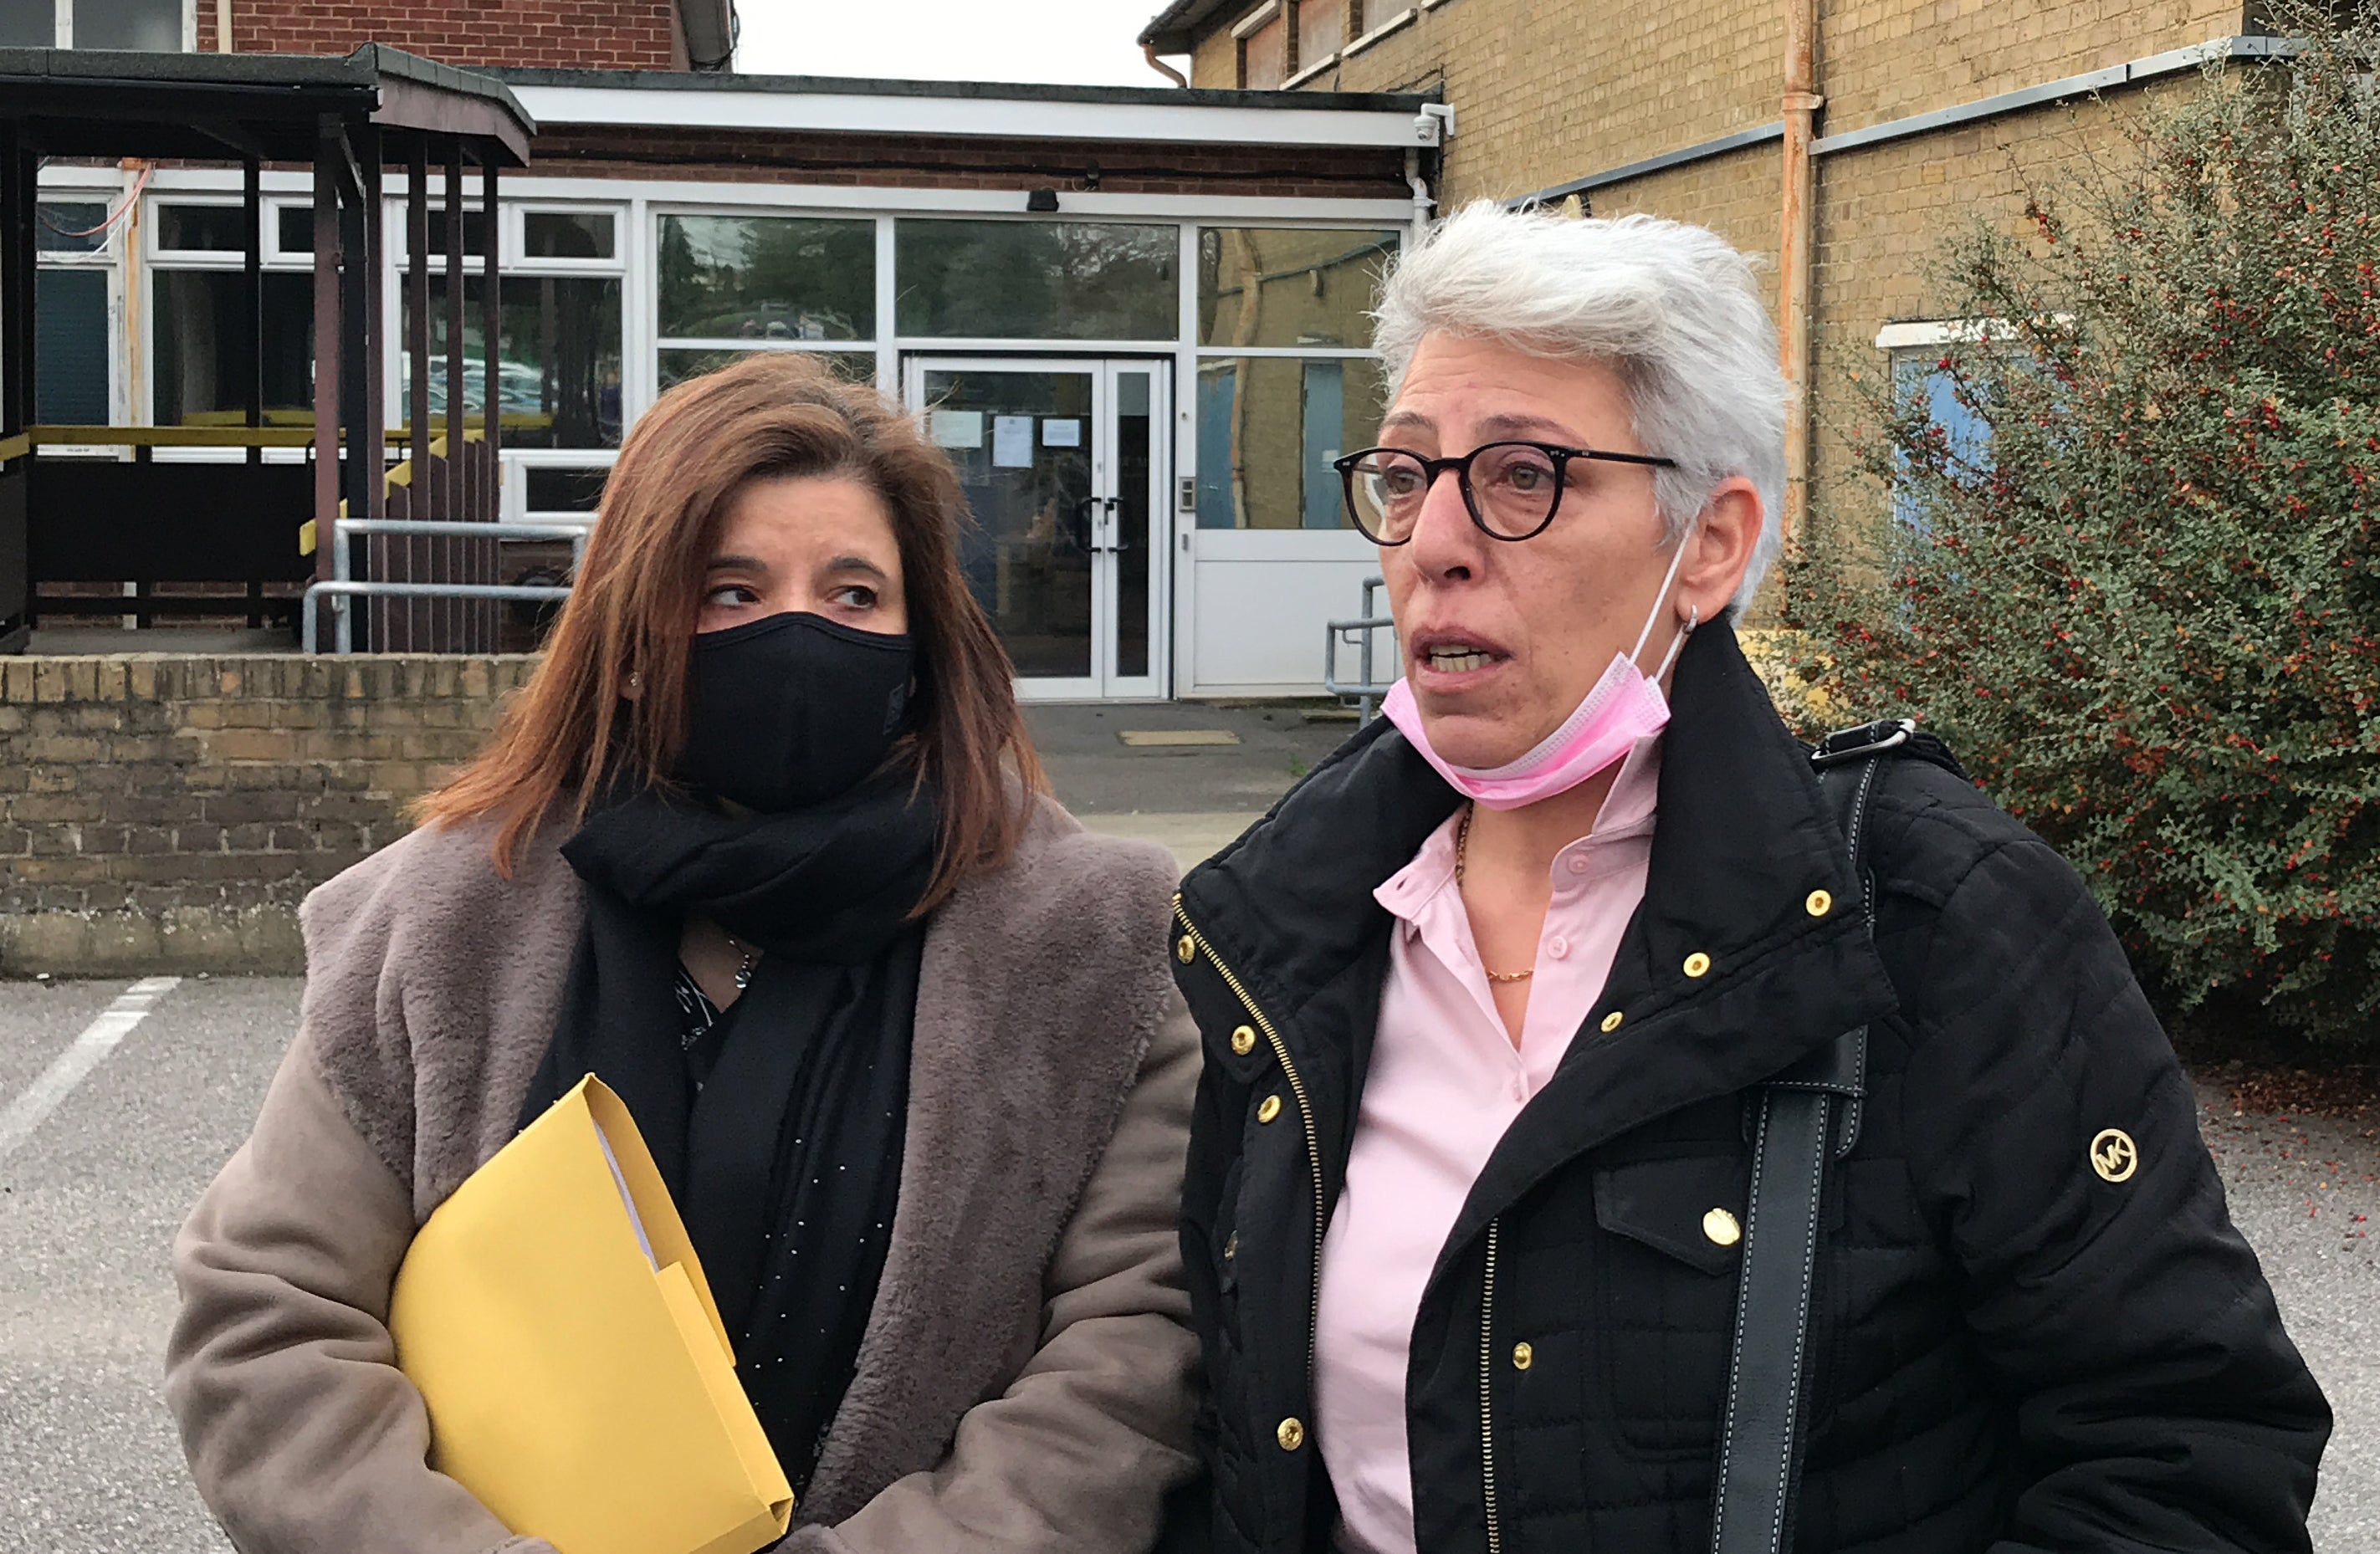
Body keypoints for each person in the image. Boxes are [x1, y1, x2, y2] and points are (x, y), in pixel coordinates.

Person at [1169, 202, 2329, 1554]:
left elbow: (2187, 1454)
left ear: (1706, 547)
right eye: (1408, 473)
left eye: (1522, 475)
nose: (1433, 539)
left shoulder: (1939, 918)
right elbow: (1230, 1436)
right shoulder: (1288, 927)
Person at [166, 353, 1200, 1554]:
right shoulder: (446, 918)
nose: (798, 635)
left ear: (921, 637)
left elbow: (1135, 1350)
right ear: (636, 627)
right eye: (730, 590)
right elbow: (268, 1316)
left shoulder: (1086, 945)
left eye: (855, 593)